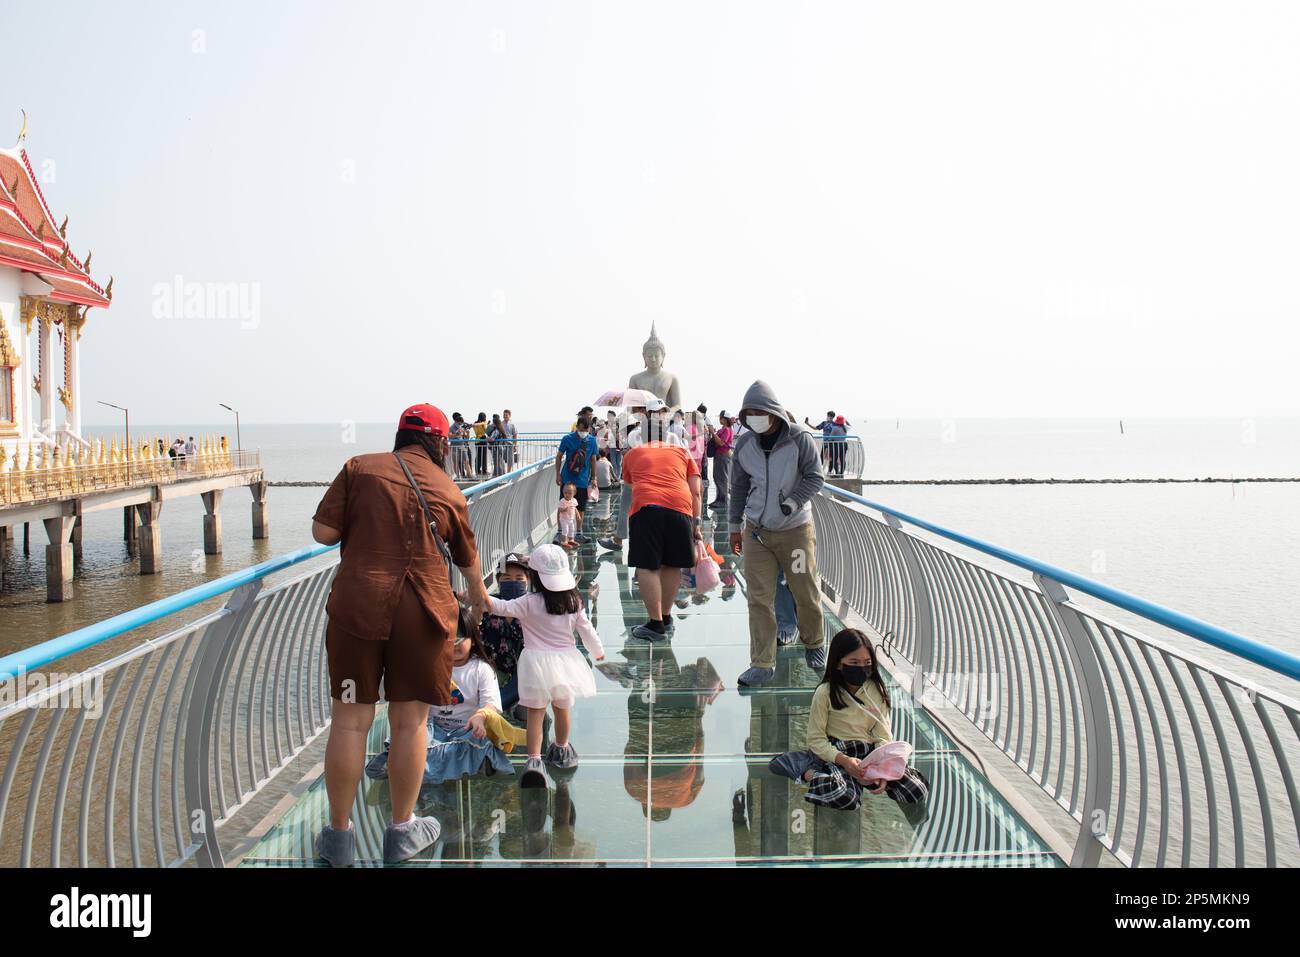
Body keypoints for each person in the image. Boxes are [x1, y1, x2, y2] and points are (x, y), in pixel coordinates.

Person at [310, 403, 488, 866]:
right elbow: (469, 561)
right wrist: (477, 595)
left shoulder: (360, 467)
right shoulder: (448, 488)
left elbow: (322, 532)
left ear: (399, 435)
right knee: (410, 724)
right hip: (424, 614)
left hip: (357, 610)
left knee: (349, 722)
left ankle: (338, 837)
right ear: (442, 445)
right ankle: (402, 831)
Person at [729, 380, 826, 687]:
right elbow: (739, 487)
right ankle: (762, 663)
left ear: (773, 412)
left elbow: (816, 477)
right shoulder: (744, 445)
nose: (754, 417)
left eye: (759, 411)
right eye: (749, 413)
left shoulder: (799, 439)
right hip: (758, 535)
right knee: (758, 599)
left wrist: (792, 502)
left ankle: (815, 644)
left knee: (804, 590)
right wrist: (735, 527)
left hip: (795, 532)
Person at [486, 545, 606, 787]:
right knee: (562, 709)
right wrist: (598, 652)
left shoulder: (528, 602)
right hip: (565, 663)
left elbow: (499, 607)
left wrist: (479, 589)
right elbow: (586, 631)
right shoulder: (574, 601)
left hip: (534, 665)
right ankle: (561, 750)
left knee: (536, 714)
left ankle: (533, 761)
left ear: (535, 578)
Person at [768, 629, 928, 810]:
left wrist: (882, 771)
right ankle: (807, 771)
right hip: (838, 753)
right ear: (838, 664)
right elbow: (815, 739)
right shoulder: (825, 693)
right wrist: (845, 761)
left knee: (916, 791)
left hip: (868, 755)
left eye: (867, 663)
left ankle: (849, 779)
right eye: (854, 662)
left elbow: (882, 735)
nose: (861, 668)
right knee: (844, 797)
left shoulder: (877, 690)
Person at [364, 617, 520, 784]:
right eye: (449, 639)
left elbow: (491, 703)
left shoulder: (481, 669)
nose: (454, 644)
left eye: (461, 638)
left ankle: (471, 763)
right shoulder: (432, 665)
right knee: (415, 737)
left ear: (474, 640)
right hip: (434, 728)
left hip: (467, 729)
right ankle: (397, 760)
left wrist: (481, 717)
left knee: (477, 743)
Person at [619, 402, 703, 641]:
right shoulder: (682, 452)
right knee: (672, 564)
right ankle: (665, 617)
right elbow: (696, 490)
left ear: (640, 437)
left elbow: (631, 485)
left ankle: (655, 624)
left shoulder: (633, 454)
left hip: (648, 508)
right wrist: (696, 524)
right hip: (681, 508)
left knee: (647, 566)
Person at [555, 414, 598, 544]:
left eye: (585, 430)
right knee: (563, 504)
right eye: (580, 429)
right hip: (567, 478)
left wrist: (594, 478)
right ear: (576, 427)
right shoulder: (567, 438)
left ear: (589, 429)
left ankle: (578, 532)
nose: (583, 432)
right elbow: (559, 456)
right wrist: (558, 474)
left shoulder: (592, 440)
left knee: (581, 507)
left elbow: (593, 459)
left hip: (582, 480)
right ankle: (560, 532)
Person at [709, 414, 734, 509]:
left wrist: (713, 433)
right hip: (719, 455)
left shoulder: (727, 430)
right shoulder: (723, 429)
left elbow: (721, 442)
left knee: (722, 477)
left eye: (721, 418)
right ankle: (719, 498)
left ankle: (723, 500)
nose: (720, 419)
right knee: (717, 476)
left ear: (725, 419)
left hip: (723, 455)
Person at [557, 482, 580, 549]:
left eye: (569, 493)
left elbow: (575, 508)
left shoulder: (574, 500)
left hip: (571, 519)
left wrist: (577, 514)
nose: (567, 494)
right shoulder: (562, 501)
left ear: (574, 493)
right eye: (565, 493)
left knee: (572, 529)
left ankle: (571, 540)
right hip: (564, 519)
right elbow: (560, 509)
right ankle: (564, 542)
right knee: (565, 530)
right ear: (563, 492)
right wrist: (564, 509)